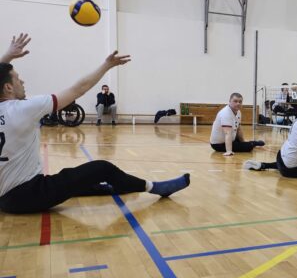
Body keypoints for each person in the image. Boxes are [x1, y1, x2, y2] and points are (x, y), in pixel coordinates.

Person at [0, 34, 190, 214]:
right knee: (102, 168)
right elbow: (79, 89)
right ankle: (155, 187)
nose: (22, 80)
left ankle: (118, 185)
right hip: (27, 194)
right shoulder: (24, 109)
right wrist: (106, 65)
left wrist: (8, 56)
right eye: (17, 78)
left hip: (6, 195)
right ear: (8, 87)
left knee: (85, 182)